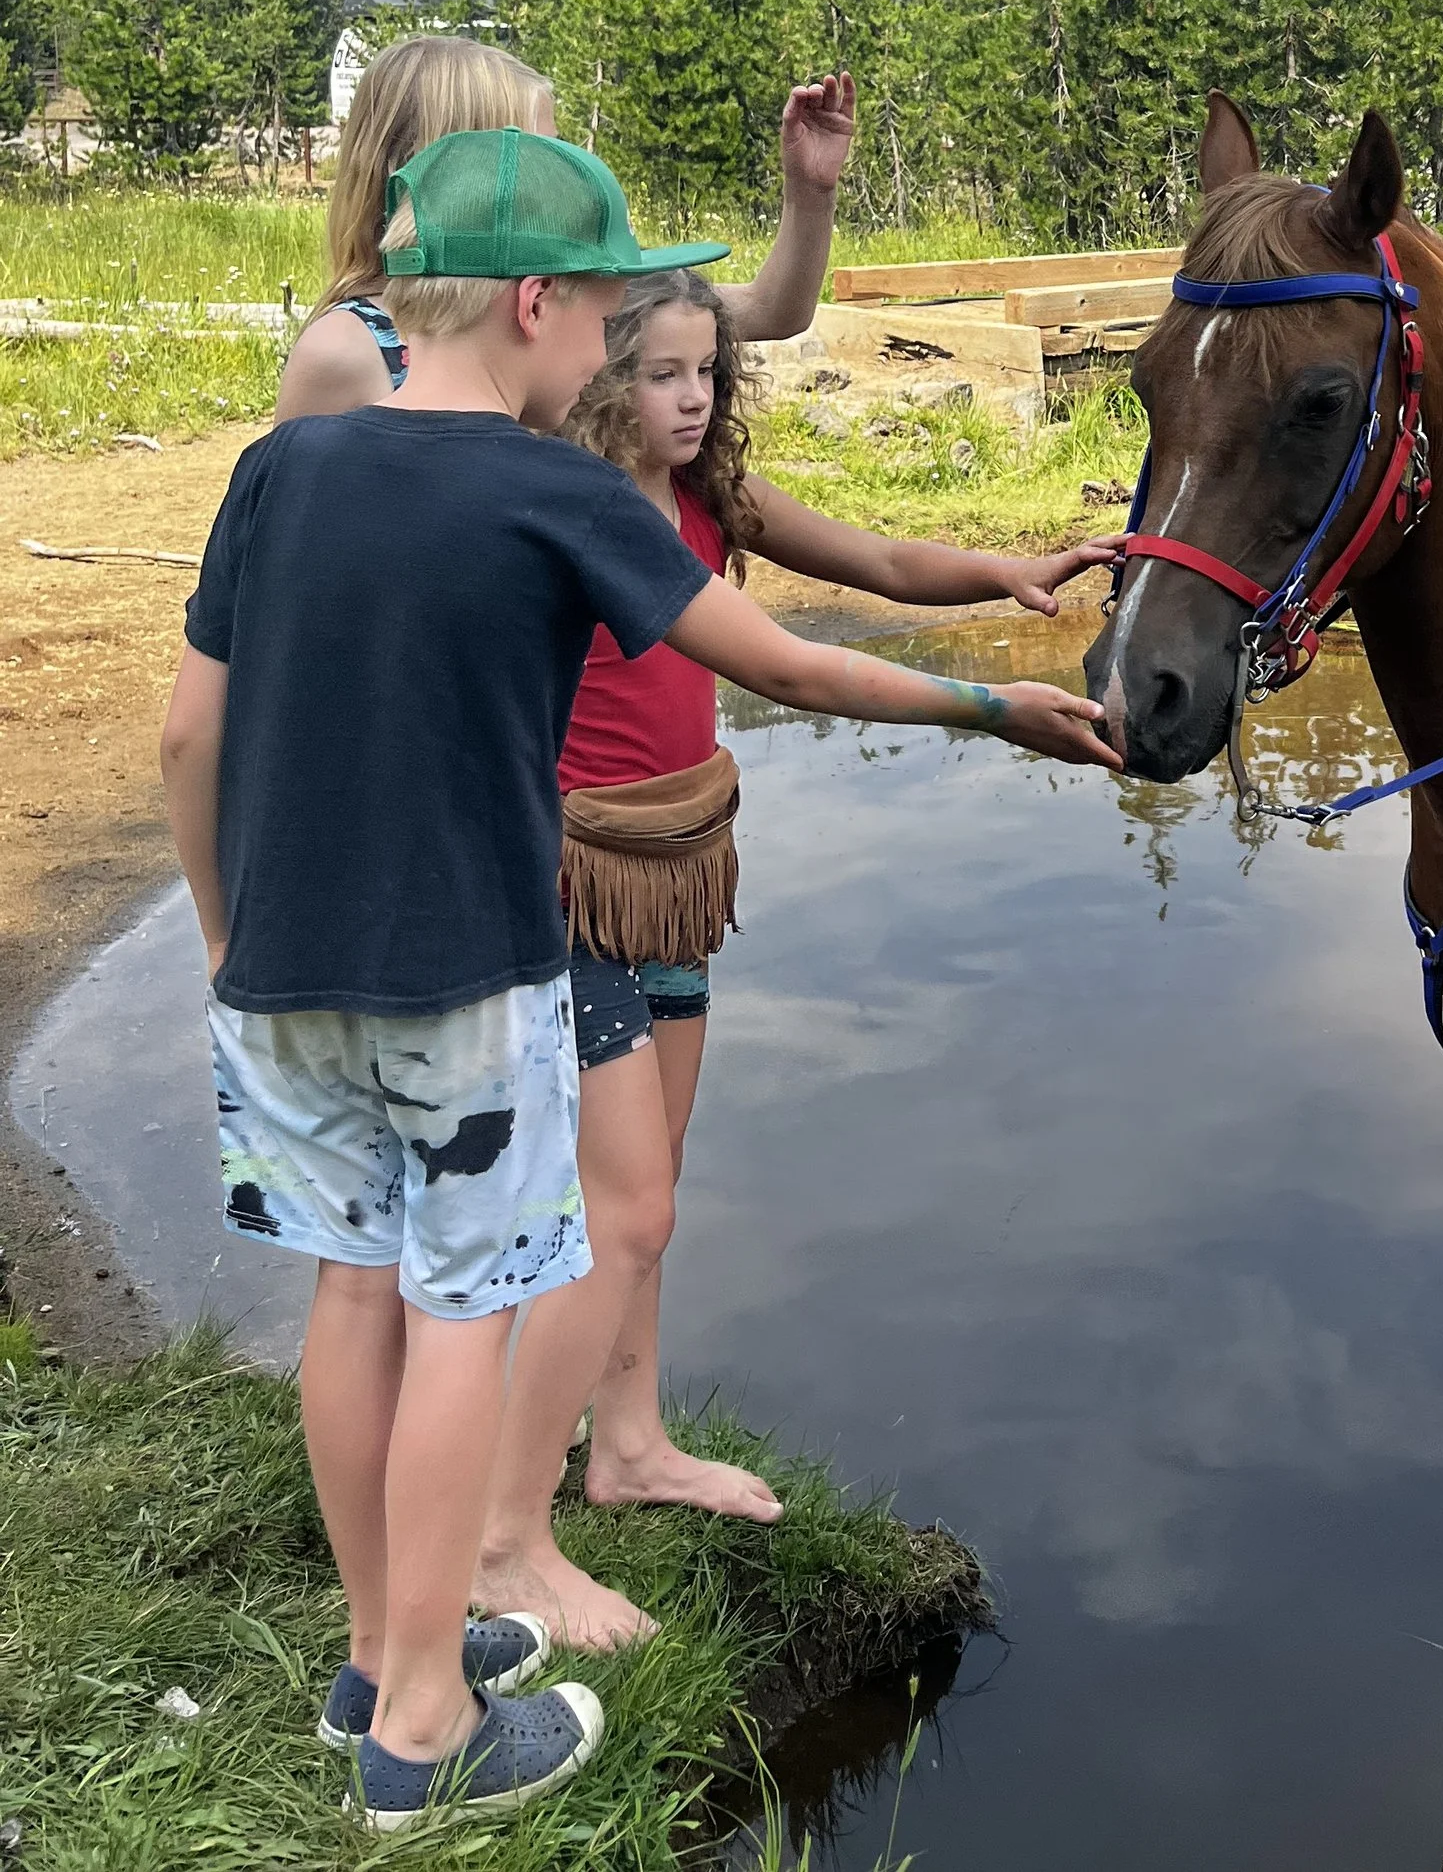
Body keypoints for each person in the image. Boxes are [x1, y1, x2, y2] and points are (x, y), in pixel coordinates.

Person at [159, 126, 1117, 1828]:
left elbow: (190, 731)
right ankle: (427, 1727)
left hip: (280, 972)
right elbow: (793, 661)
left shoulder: (275, 471)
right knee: (464, 1309)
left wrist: (229, 941)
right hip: (461, 973)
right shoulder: (552, 490)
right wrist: (995, 705)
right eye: (607, 305)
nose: (617, 340)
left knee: (351, 1293)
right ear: (535, 302)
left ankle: (378, 1656)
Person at [472, 270, 1118, 1645]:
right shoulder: (572, 509)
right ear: (597, 377)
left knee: (658, 1185)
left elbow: (877, 564)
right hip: (573, 881)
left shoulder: (716, 499)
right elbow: (797, 668)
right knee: (621, 1205)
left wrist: (1001, 572)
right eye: (662, 373)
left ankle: (627, 1444)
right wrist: (992, 707)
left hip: (682, 866)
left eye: (710, 370)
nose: (694, 396)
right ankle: (499, 1537)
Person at [276, 33, 858, 418]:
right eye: (547, 153)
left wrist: (811, 191)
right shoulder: (345, 354)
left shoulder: (570, 300)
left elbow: (773, 310)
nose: (569, 173)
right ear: (463, 172)